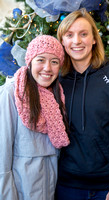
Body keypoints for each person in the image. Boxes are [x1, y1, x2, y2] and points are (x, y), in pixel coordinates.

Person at [55, 8, 109, 200]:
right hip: (67, 185)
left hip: (108, 186)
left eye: (83, 34)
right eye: (69, 35)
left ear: (94, 39)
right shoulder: (56, 80)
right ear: (62, 41)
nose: (77, 41)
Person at [0, 35, 70, 200]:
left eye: (54, 62)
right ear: (30, 61)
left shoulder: (57, 95)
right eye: (41, 60)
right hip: (20, 192)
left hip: (49, 190)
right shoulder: (11, 93)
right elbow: (1, 157)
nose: (47, 68)